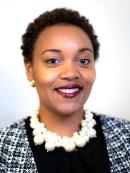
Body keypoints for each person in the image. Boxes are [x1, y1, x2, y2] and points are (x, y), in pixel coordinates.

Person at [0, 8, 130, 173]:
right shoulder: (3, 149)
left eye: (83, 60)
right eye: (53, 60)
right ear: (30, 71)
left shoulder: (126, 136)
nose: (71, 73)